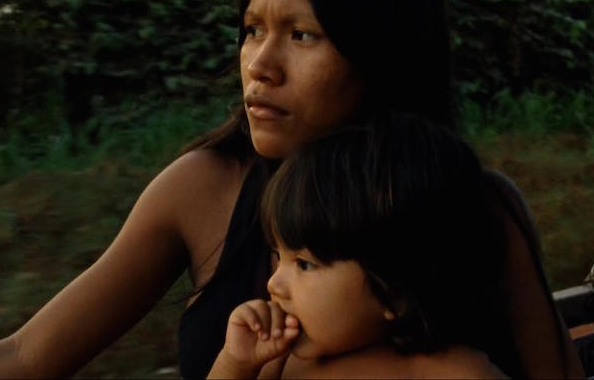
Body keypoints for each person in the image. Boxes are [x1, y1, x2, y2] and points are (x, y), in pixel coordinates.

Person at [0, 0, 584, 378]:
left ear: (381, 51)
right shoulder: (201, 189)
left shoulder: (474, 210)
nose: (259, 65)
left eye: (302, 35)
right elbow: (25, 354)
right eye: (251, 29)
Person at [208, 113, 513, 379]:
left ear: (395, 293)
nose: (274, 284)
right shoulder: (278, 362)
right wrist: (235, 364)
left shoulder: (456, 372)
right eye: (278, 256)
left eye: (304, 264)